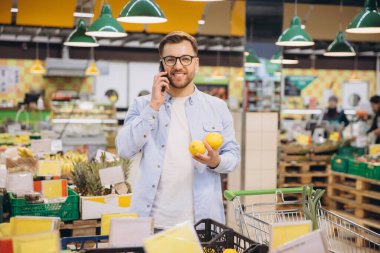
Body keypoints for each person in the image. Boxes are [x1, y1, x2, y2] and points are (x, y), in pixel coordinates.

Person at [116, 31, 240, 230]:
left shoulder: (217, 107)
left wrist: (216, 162)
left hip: (202, 224)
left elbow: (233, 157)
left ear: (196, 63)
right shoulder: (142, 105)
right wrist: (154, 106)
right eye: (171, 59)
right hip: (152, 224)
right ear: (163, 64)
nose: (178, 65)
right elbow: (124, 149)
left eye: (185, 58)